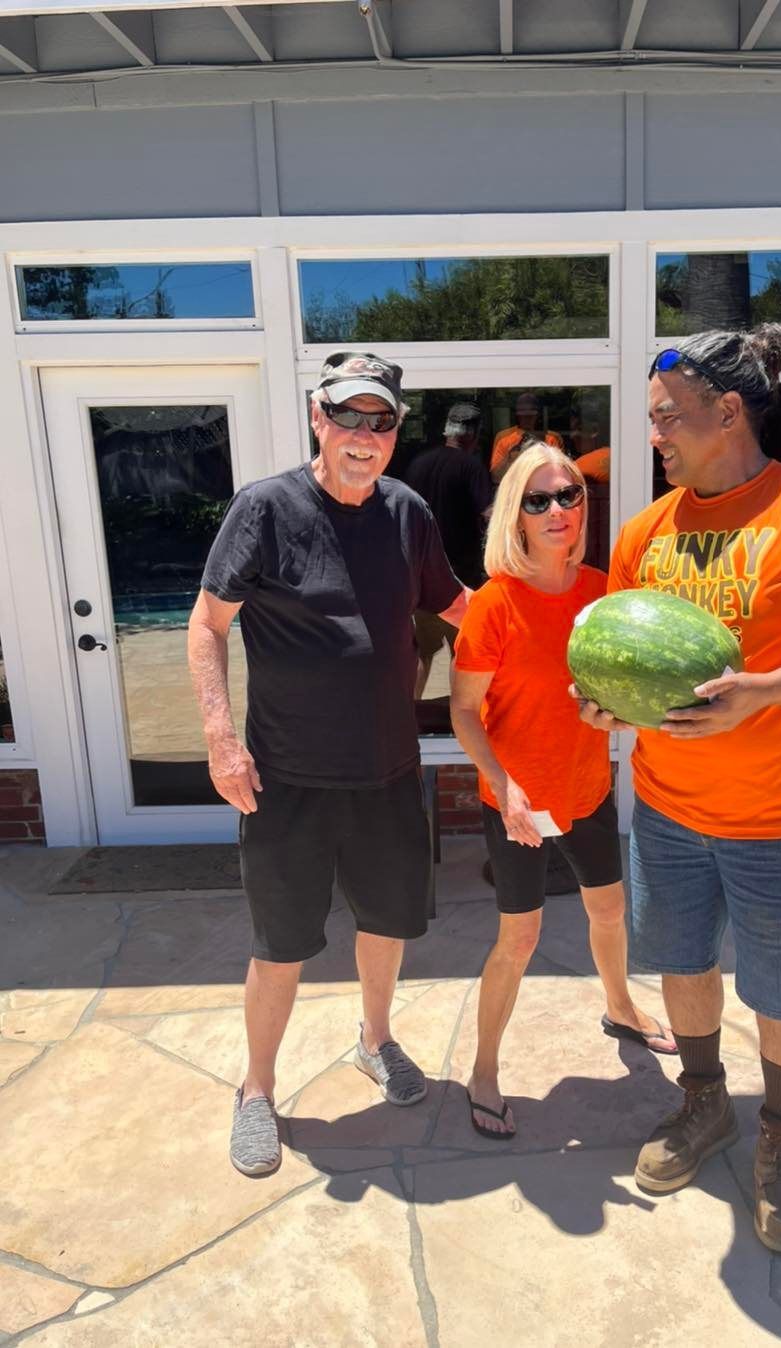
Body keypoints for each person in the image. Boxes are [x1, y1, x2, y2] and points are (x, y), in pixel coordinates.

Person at [577, 324, 781, 1252]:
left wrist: (763, 691)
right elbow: (626, 658)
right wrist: (608, 708)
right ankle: (706, 1104)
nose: (655, 436)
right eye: (652, 421)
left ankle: (780, 1140)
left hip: (780, 816)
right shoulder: (645, 533)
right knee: (682, 966)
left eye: (667, 418)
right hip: (670, 811)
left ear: (729, 412)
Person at [188, 350, 469, 1177]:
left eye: (380, 421)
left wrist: (549, 640)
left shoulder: (408, 512)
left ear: (396, 432)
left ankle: (374, 1041)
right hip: (287, 782)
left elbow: (457, 607)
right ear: (318, 416)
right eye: (348, 416)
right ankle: (257, 1090)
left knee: (386, 925)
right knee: (281, 943)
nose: (363, 435)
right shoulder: (265, 509)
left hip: (385, 774)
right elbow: (207, 627)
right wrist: (219, 737)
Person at [451, 443, 676, 1140]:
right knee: (519, 939)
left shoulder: (604, 593)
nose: (556, 511)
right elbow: (463, 711)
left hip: (587, 790)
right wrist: (504, 786)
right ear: (514, 515)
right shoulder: (494, 605)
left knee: (609, 912)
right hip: (519, 801)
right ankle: (483, 1070)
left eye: (568, 496)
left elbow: (618, 689)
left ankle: (622, 1008)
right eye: (538, 499)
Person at [405, 402, 493, 699]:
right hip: (461, 580)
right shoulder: (470, 467)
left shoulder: (419, 464)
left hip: (421, 580)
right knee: (466, 654)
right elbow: (491, 514)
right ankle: (461, 720)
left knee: (422, 653)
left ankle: (410, 714)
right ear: (473, 434)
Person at [489, 392, 564, 482]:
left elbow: (560, 472)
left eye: (531, 416)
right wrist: (510, 459)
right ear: (517, 415)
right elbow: (495, 476)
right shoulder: (504, 438)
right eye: (523, 416)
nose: (527, 419)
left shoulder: (551, 438)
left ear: (537, 415)